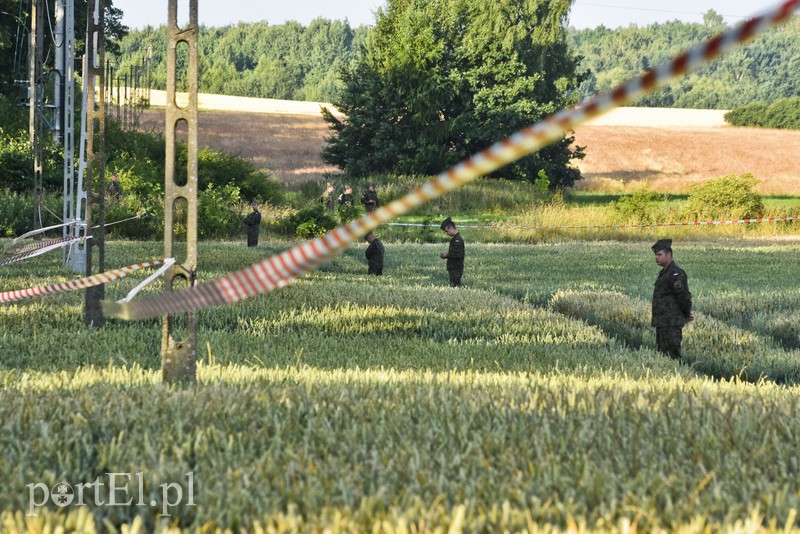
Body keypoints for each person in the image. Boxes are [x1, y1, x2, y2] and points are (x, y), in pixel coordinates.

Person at [651, 238, 693, 363]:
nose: (656, 258)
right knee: (662, 357)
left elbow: (683, 296)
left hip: (672, 322)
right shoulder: (665, 273)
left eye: (660, 254)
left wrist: (686, 313)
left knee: (673, 356)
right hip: (662, 322)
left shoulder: (675, 274)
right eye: (656, 255)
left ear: (669, 254)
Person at [439, 217, 465, 287]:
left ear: (451, 228)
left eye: (447, 231)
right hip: (453, 267)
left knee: (455, 285)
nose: (447, 233)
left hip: (456, 267)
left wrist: (446, 255)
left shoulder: (458, 240)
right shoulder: (455, 239)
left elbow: (457, 254)